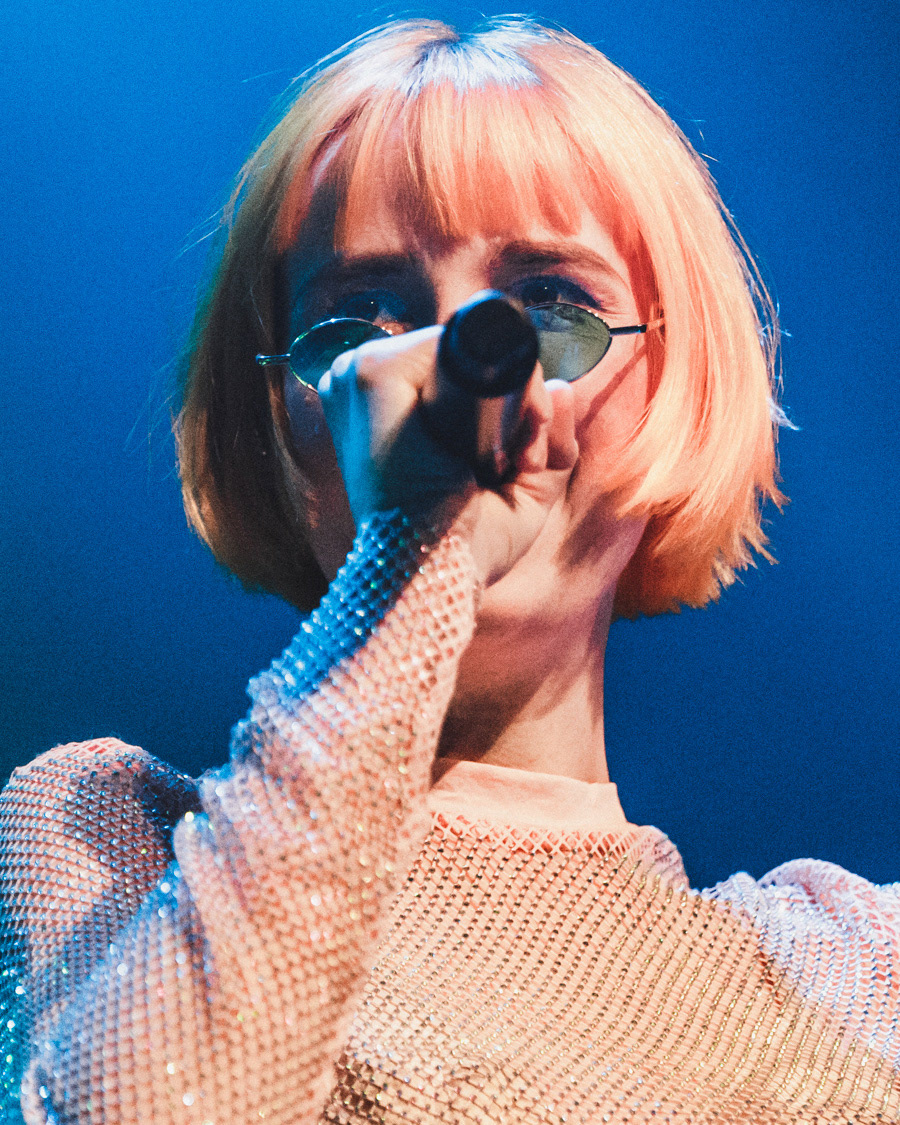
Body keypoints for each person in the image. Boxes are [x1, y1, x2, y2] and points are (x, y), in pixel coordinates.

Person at [0, 16, 896, 1125]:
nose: (446, 380)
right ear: (277, 424)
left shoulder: (854, 963)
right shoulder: (109, 840)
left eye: (551, 314)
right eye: (352, 334)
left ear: (673, 379)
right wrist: (411, 561)